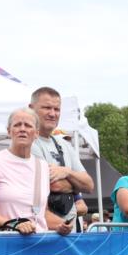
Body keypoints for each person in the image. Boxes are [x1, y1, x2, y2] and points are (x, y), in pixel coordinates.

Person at [0, 108, 72, 236]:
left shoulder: (41, 166)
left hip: (36, 246)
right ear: (9, 131)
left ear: (36, 133)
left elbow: (41, 213)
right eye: (17, 125)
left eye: (28, 125)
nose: (22, 129)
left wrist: (61, 225)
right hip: (4, 245)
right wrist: (15, 224)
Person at [28, 87, 94, 230]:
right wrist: (76, 186)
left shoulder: (64, 145)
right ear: (31, 109)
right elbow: (54, 185)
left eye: (56, 109)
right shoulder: (28, 143)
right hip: (42, 232)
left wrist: (67, 172)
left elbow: (89, 185)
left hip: (69, 232)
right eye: (46, 108)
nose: (52, 114)